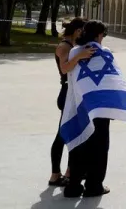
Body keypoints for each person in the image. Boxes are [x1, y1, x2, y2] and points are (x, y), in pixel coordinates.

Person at [64, 20, 112, 198]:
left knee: (80, 144)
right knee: (99, 147)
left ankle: (74, 186)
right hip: (99, 107)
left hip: (79, 106)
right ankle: (94, 186)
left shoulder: (75, 51)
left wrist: (77, 57)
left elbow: (65, 69)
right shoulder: (105, 53)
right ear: (99, 35)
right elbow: (113, 81)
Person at [48, 17, 95, 187]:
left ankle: (69, 172)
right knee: (62, 134)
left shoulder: (72, 46)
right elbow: (65, 68)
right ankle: (55, 174)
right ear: (77, 31)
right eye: (83, 31)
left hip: (73, 92)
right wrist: (80, 56)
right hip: (67, 92)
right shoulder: (64, 47)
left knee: (73, 132)